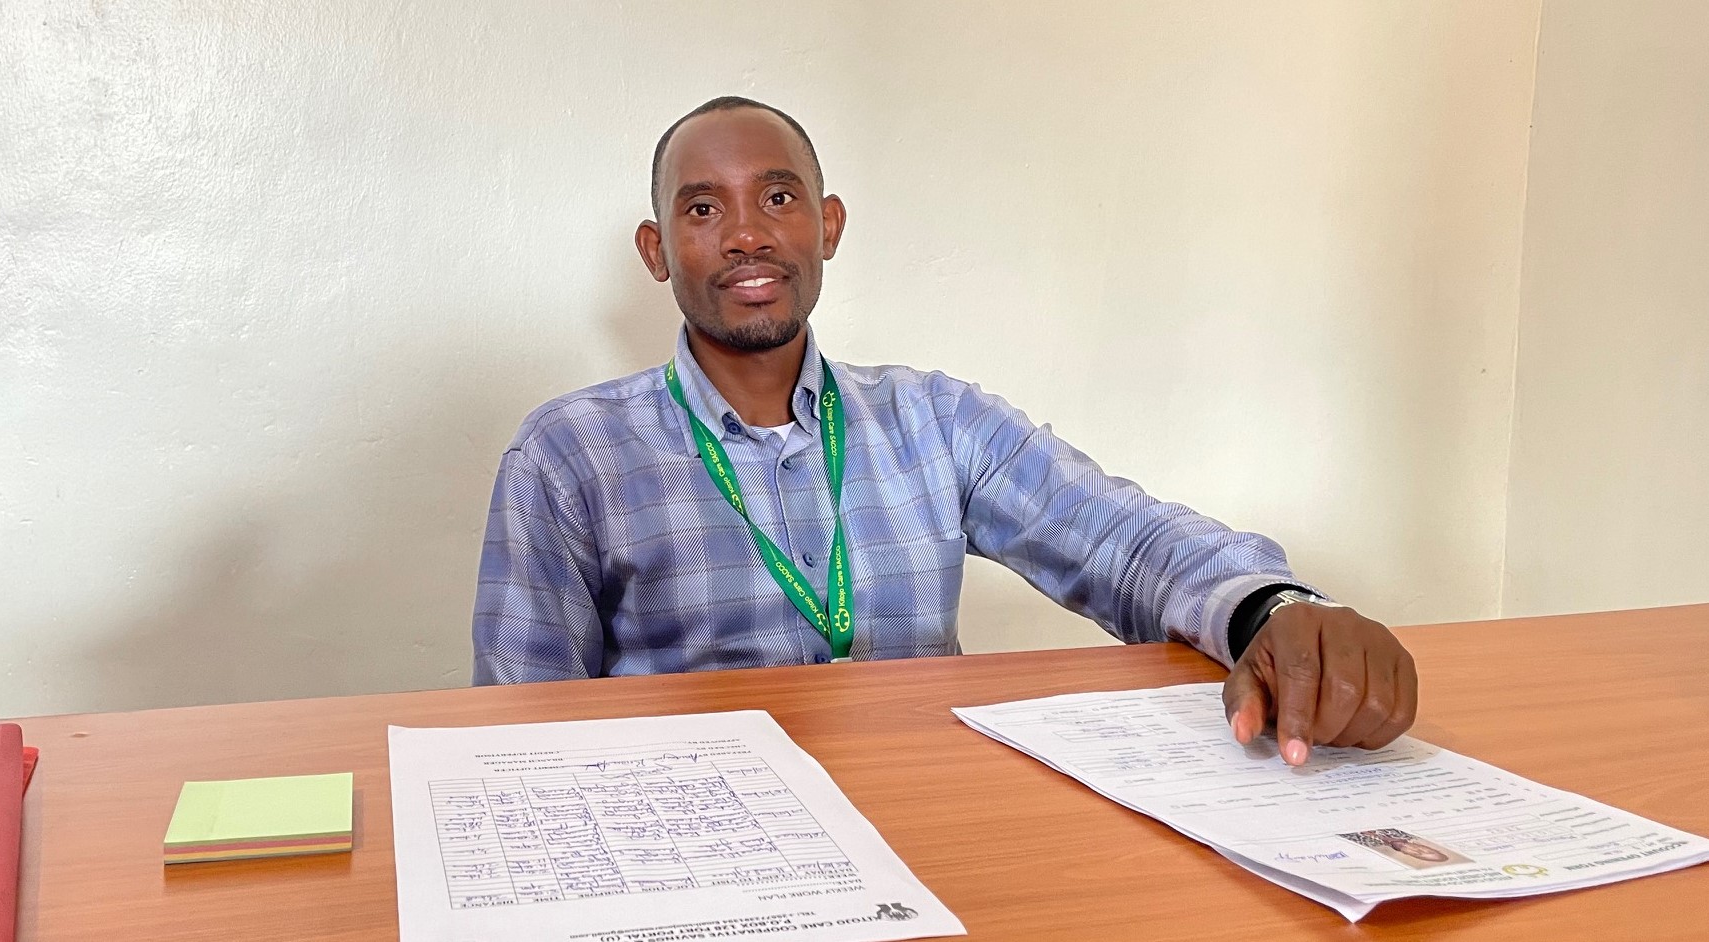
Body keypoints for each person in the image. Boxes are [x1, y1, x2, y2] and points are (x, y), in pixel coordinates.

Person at [472, 96, 1417, 765]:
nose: (747, 234)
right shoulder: (569, 455)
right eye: (704, 208)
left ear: (828, 227)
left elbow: (1127, 545)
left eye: (779, 198)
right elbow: (521, 730)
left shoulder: (936, 420)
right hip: (696, 844)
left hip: (920, 820)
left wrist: (1273, 609)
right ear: (656, 250)